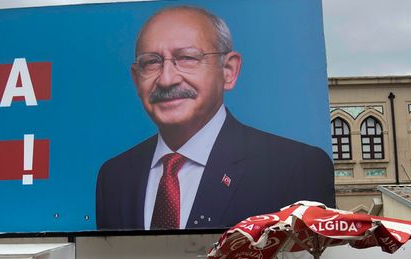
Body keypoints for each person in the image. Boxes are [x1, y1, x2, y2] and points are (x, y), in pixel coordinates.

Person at [95, 5, 334, 230]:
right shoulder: (114, 177)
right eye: (152, 63)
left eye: (187, 58)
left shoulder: (296, 168)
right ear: (137, 79)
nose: (167, 79)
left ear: (228, 71)